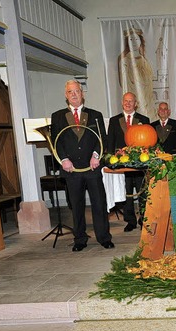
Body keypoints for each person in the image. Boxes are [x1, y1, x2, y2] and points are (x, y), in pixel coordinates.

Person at [51, 80, 113, 251]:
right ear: (66, 95)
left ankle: (104, 237)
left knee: (99, 203)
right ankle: (80, 239)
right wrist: (63, 159)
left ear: (82, 93)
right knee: (76, 205)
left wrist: (95, 155)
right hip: (72, 170)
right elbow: (56, 142)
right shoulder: (57, 116)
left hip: (92, 168)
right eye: (70, 92)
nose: (74, 94)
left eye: (77, 91)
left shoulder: (95, 115)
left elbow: (102, 139)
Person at [107, 92, 150, 232]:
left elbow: (148, 143)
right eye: (126, 101)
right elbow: (110, 143)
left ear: (135, 103)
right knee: (126, 193)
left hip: (139, 165)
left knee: (142, 192)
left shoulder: (144, 119)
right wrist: (111, 160)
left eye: (131, 101)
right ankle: (130, 220)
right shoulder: (114, 121)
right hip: (121, 164)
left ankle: (144, 218)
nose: (128, 103)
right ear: (122, 102)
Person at [118, 27, 156, 117]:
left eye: (136, 39)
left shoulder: (144, 61)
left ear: (140, 41)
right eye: (131, 39)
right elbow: (124, 81)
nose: (134, 42)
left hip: (147, 99)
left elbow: (150, 80)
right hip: (134, 96)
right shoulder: (125, 61)